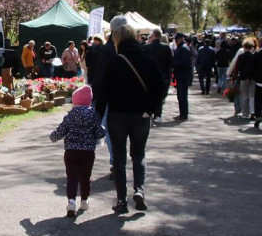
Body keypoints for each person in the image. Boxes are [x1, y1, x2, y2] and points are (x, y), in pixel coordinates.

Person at [94, 23, 164, 213]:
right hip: (141, 115)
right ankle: (139, 191)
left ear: (117, 40)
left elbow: (103, 93)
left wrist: (97, 117)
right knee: (139, 154)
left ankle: (121, 200)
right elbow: (160, 87)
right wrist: (151, 110)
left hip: (117, 115)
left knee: (119, 158)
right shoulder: (148, 60)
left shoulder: (114, 62)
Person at [49, 85, 106, 217]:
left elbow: (61, 130)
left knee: (72, 177)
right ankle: (84, 201)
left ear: (75, 101)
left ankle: (71, 202)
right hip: (87, 152)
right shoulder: (94, 115)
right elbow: (100, 133)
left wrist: (53, 137)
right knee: (85, 177)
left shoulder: (70, 115)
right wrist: (102, 130)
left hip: (71, 151)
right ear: (89, 101)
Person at [143, 28, 173, 123]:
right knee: (160, 96)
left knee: (149, 95)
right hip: (163, 75)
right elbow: (170, 63)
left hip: (149, 75)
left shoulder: (146, 47)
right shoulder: (166, 48)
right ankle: (158, 115)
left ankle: (149, 113)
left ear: (153, 36)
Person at [171, 32, 193, 120]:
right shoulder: (181, 48)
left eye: (177, 40)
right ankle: (182, 113)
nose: (175, 41)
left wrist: (173, 64)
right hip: (180, 75)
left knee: (182, 96)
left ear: (180, 39)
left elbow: (183, 62)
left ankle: (184, 114)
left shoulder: (183, 49)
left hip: (182, 75)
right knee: (180, 96)